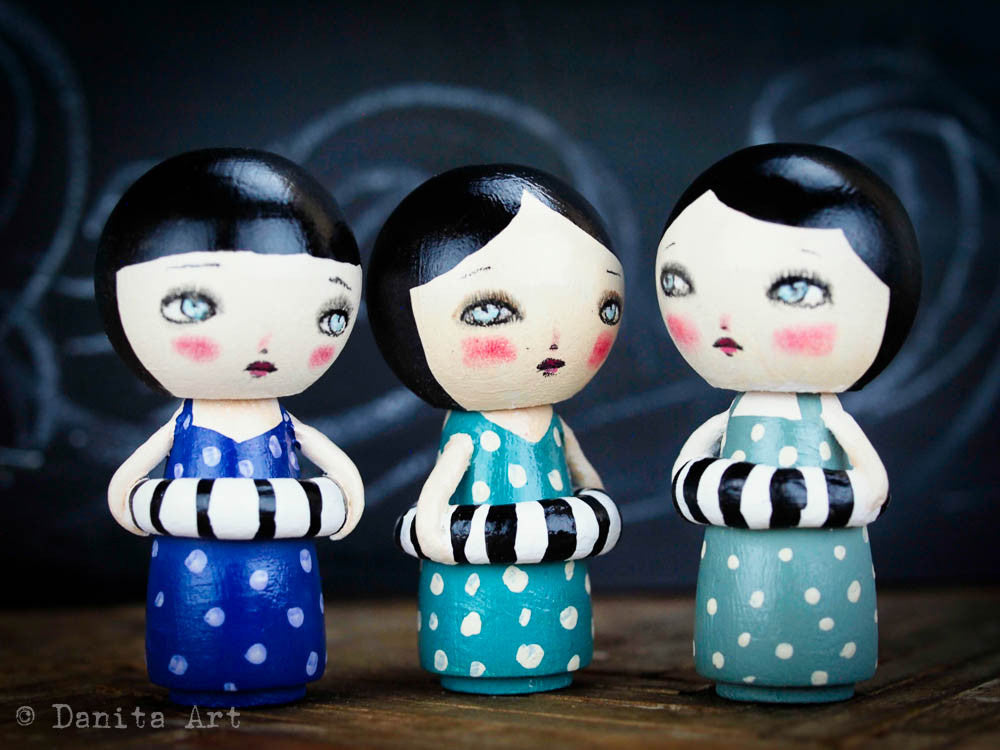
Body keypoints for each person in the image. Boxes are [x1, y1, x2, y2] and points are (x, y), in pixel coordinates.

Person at [95, 148, 365, 706]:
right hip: (191, 575)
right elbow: (129, 481)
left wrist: (347, 495)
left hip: (282, 567)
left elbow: (332, 464)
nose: (264, 342)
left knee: (279, 625)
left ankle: (283, 669)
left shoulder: (282, 424)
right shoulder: (187, 424)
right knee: (194, 626)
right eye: (195, 306)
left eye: (327, 314)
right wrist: (132, 501)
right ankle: (196, 669)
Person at [657, 143, 921, 702]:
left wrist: (803, 497)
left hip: (827, 563)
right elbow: (687, 470)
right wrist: (707, 485)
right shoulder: (733, 416)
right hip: (735, 564)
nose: (725, 320)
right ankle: (738, 663)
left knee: (817, 621)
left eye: (795, 289)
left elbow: (873, 488)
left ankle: (817, 668)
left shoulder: (828, 419)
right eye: (683, 283)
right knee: (737, 610)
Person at [367, 165, 623, 694]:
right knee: (484, 627)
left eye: (600, 307)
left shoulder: (553, 427)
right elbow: (435, 503)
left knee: (551, 609)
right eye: (489, 311)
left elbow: (588, 481)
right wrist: (434, 534)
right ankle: (478, 659)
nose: (554, 338)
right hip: (470, 594)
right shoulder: (466, 434)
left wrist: (594, 516)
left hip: (555, 583)